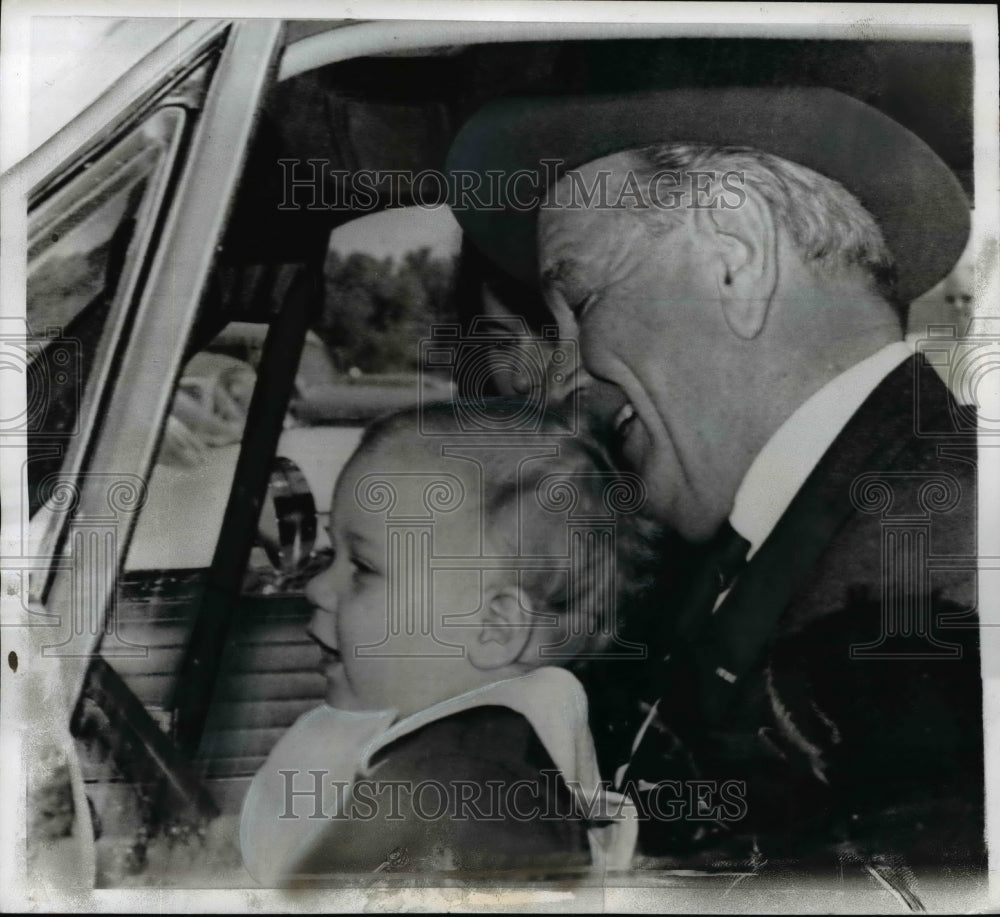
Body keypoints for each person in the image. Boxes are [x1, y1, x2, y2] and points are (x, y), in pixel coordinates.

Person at [446, 88, 983, 879]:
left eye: (582, 298)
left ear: (735, 257)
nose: (563, 377)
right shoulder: (802, 534)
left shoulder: (948, 567)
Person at [239, 402, 653, 884]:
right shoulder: (451, 754)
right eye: (334, 555)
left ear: (494, 627)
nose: (317, 589)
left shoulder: (467, 786)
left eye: (364, 569)